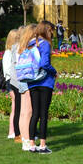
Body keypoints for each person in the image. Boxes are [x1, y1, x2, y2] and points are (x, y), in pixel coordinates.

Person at [23, 22, 57, 153]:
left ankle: (32, 144)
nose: (52, 33)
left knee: (35, 113)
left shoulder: (31, 43)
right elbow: (45, 63)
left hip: (32, 81)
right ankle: (42, 145)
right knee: (43, 114)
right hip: (44, 82)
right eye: (51, 30)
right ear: (47, 30)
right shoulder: (45, 44)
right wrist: (54, 72)